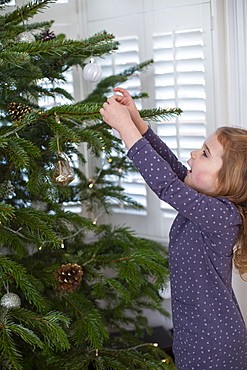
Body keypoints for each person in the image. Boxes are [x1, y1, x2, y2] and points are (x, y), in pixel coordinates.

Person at [100, 87, 247, 370]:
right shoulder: (205, 201)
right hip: (193, 336)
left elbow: (166, 185)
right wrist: (138, 122)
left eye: (205, 154)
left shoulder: (222, 216)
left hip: (213, 344)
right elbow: (172, 170)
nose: (193, 153)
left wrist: (125, 129)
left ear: (228, 181)